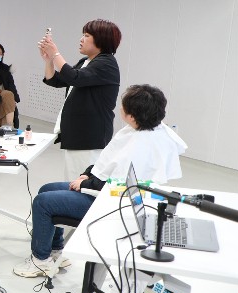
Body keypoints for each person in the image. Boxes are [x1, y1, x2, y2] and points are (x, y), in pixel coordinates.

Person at [14, 85, 186, 278]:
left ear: (131, 116)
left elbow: (118, 185)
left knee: (43, 202)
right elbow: (107, 162)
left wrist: (84, 184)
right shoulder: (145, 129)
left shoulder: (141, 146)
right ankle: (55, 250)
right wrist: (87, 174)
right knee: (46, 189)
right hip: (105, 192)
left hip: (111, 204)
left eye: (123, 106)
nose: (120, 108)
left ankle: (40, 261)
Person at [40, 20, 121, 178]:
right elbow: (56, 80)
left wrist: (55, 54)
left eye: (87, 35)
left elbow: (74, 77)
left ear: (101, 39)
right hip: (78, 134)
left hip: (89, 137)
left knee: (79, 183)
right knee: (72, 180)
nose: (81, 39)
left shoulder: (106, 63)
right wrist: (49, 60)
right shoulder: (86, 62)